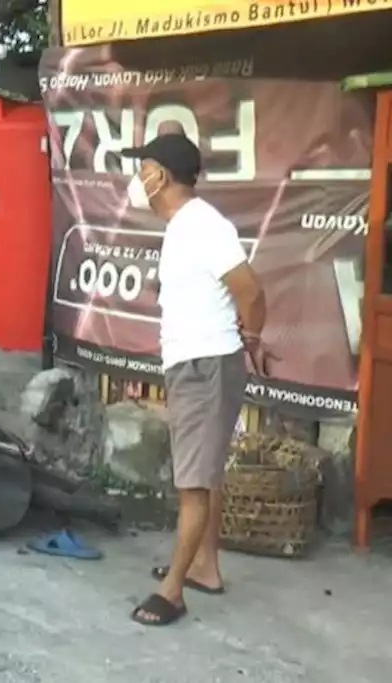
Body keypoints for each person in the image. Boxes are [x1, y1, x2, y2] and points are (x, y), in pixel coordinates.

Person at [123, 133, 268, 627]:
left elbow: (250, 291)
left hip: (207, 366)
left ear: (160, 176)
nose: (136, 179)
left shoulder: (204, 225)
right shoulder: (184, 226)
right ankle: (205, 566)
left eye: (142, 169)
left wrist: (249, 334)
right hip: (194, 363)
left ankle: (174, 591)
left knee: (192, 484)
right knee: (203, 473)